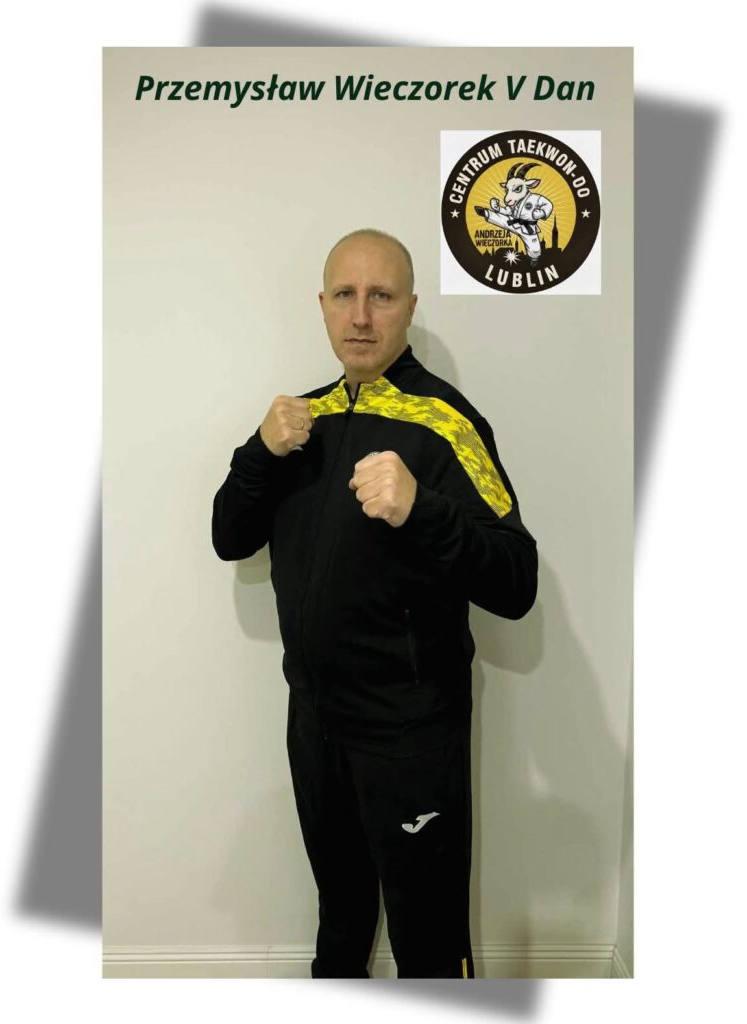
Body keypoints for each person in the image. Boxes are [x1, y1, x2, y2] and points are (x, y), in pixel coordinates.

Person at [211, 228, 538, 979]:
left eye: (381, 296)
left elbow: (517, 581)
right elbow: (230, 537)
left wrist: (423, 509)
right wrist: (259, 452)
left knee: (428, 943)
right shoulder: (300, 421)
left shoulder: (447, 424)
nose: (361, 316)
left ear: (410, 307)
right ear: (322, 305)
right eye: (345, 295)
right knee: (340, 922)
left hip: (409, 735)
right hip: (314, 724)